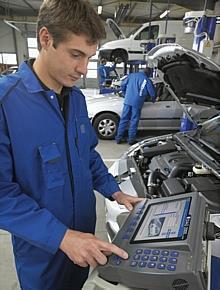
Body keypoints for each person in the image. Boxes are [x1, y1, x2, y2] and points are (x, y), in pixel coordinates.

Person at [0, 1, 143, 289]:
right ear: (45, 39)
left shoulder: (76, 100)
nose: (82, 69)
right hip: (43, 252)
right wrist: (62, 237)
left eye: (89, 57)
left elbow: (87, 155)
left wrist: (114, 190)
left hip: (84, 240)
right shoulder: (6, 102)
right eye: (76, 54)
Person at [115, 69, 156, 145]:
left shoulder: (131, 76)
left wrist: (124, 94)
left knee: (124, 119)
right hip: (137, 102)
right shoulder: (146, 80)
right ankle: (131, 140)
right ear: (148, 73)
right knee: (134, 120)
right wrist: (153, 100)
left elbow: (122, 85)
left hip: (127, 101)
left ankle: (118, 138)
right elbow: (152, 93)